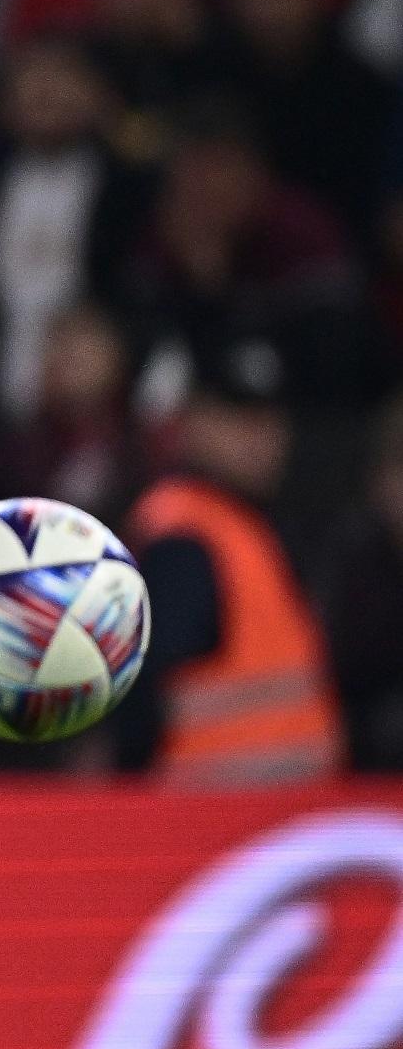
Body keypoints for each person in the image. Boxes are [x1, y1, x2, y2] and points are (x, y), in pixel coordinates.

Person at [113, 335, 341, 785]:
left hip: (278, 821)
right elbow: (140, 702)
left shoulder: (252, 522)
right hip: (208, 821)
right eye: (236, 421)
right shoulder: (181, 535)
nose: (260, 439)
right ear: (192, 422)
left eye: (271, 422)